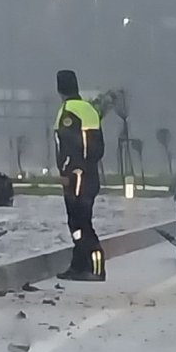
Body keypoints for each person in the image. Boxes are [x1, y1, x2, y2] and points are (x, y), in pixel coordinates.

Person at [53, 70, 106, 281]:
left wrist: (66, 170)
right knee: (80, 222)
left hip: (76, 177)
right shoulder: (89, 108)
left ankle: (95, 267)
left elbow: (69, 146)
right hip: (90, 174)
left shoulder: (68, 111)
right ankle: (79, 265)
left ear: (60, 88)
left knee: (80, 224)